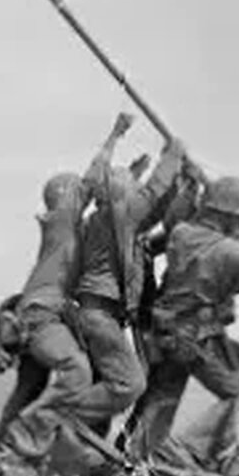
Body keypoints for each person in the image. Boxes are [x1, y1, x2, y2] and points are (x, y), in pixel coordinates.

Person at [121, 176, 239, 462]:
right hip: (196, 338)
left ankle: (136, 458)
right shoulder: (229, 253)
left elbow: (185, 225)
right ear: (230, 216)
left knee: (164, 398)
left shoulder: (181, 234)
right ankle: (189, 452)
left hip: (167, 333)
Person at [0, 113, 134, 455]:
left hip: (44, 314)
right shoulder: (62, 222)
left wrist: (131, 179)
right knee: (76, 371)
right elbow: (93, 178)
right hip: (42, 315)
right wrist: (115, 135)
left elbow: (108, 203)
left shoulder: (67, 229)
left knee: (29, 388)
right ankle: (24, 435)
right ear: (67, 197)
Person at [53, 136, 188, 437]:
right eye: (132, 189)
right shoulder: (119, 219)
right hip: (99, 316)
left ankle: (82, 445)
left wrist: (179, 180)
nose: (137, 193)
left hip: (98, 315)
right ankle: (65, 414)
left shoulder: (103, 222)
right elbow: (152, 196)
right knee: (131, 383)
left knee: (112, 383)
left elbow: (154, 207)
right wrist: (173, 155)